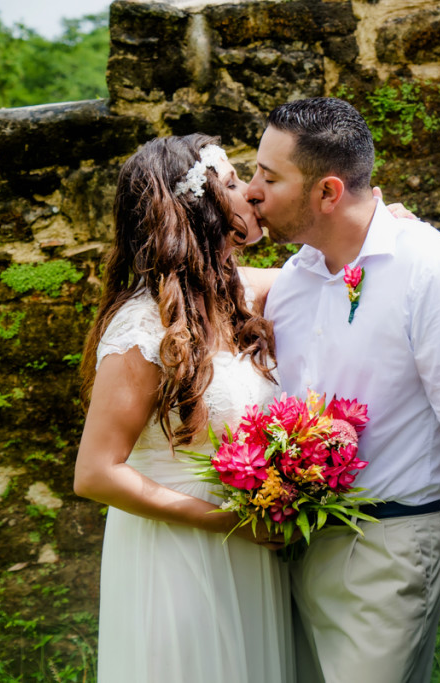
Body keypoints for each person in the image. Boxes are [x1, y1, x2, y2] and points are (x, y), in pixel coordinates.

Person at [245, 97, 440, 683]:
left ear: (328, 193)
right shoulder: (295, 278)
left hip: (387, 549)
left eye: (269, 176)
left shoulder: (428, 270)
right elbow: (190, 280)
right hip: (290, 547)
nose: (253, 189)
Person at [73, 133, 293, 683]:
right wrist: (226, 521)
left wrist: (383, 225)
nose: (254, 195)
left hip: (247, 546)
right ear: (202, 207)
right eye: (236, 184)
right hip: (177, 549)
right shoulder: (141, 328)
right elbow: (95, 473)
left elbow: (332, 271)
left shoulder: (237, 294)